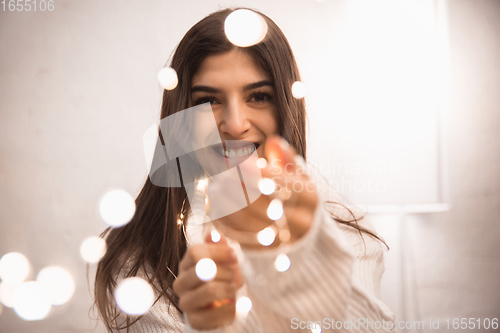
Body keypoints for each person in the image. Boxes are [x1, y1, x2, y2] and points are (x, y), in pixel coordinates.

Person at [94, 7, 395, 333]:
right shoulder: (139, 258)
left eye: (258, 96)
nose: (235, 125)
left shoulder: (346, 232)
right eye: (208, 101)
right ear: (181, 116)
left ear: (284, 107)